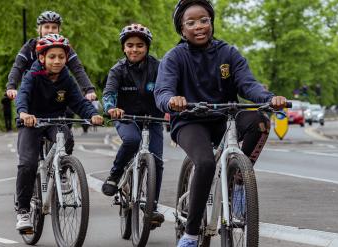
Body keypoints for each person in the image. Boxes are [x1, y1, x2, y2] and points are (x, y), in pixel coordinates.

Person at [153, 1, 287, 246]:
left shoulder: (228, 53)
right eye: (191, 23)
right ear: (182, 30)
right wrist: (172, 101)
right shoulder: (175, 57)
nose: (199, 26)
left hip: (225, 117)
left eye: (204, 20)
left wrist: (269, 99)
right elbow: (162, 91)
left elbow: (248, 84)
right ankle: (191, 234)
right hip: (190, 120)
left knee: (260, 122)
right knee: (204, 163)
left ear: (211, 22)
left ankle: (237, 179)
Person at [14, 34, 104, 231]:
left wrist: (92, 115)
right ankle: (23, 211)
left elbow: (79, 102)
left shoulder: (66, 79)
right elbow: (22, 96)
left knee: (67, 139)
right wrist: (24, 113)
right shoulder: (32, 76)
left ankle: (62, 170)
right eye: (52, 57)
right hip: (31, 121)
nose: (57, 61)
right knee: (27, 163)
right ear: (42, 58)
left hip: (55, 120)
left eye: (61, 57)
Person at [101, 23, 166, 224]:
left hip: (153, 119)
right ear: (123, 47)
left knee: (157, 161)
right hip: (126, 117)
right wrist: (112, 108)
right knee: (131, 140)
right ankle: (115, 174)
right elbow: (109, 93)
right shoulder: (117, 70)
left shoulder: (158, 67)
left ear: (147, 47)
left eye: (139, 45)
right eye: (130, 45)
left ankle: (151, 208)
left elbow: (168, 89)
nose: (134, 49)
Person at [6, 10, 96, 102]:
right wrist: (11, 87)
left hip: (56, 94)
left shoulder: (64, 47)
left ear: (58, 30)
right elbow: (17, 67)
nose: (50, 30)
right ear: (39, 29)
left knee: (67, 104)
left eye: (54, 27)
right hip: (32, 94)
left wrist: (89, 90)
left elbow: (77, 69)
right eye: (46, 27)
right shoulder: (30, 47)